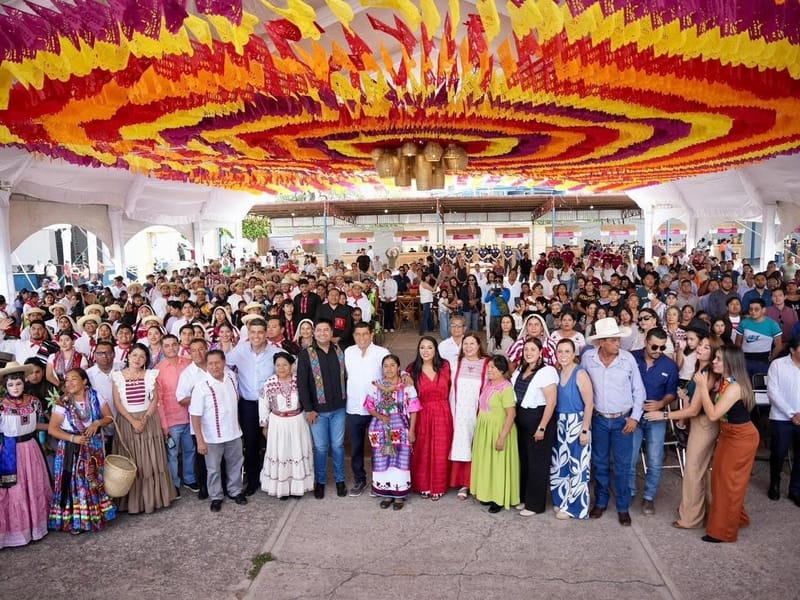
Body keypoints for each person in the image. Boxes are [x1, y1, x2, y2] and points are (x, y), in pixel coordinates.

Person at [645, 332, 721, 529]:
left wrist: (663, 415)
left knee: (693, 471)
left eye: (706, 347)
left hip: (704, 424)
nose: (700, 348)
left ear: (714, 352)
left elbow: (695, 410)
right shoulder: (700, 369)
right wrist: (685, 397)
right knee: (700, 470)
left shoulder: (708, 374)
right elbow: (693, 404)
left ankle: (690, 518)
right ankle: (705, 512)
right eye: (700, 344)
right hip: (698, 423)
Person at [581, 318, 646, 526]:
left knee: (622, 465)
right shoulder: (588, 358)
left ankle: (622, 506)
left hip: (623, 420)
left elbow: (639, 390)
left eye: (618, 340)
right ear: (601, 342)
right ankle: (600, 501)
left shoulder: (627, 359)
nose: (618, 343)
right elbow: (582, 385)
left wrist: (635, 417)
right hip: (599, 419)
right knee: (599, 462)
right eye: (613, 340)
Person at [696, 345, 759, 543]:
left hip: (741, 438)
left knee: (728, 483)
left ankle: (722, 531)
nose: (714, 361)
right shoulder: (727, 382)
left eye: (719, 359)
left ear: (730, 363)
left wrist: (702, 388)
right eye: (715, 357)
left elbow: (714, 414)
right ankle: (736, 519)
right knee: (720, 480)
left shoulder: (734, 387)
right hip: (728, 435)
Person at [48, 367, 116, 534]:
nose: (69, 383)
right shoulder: (63, 403)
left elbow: (109, 417)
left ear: (84, 381)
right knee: (74, 483)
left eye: (74, 379)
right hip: (71, 448)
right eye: (67, 380)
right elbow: (53, 429)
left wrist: (97, 423)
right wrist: (74, 438)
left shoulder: (95, 396)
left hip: (93, 447)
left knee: (92, 479)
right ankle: (76, 521)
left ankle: (94, 517)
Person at [111, 343, 176, 513]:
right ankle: (133, 503)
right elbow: (117, 402)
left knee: (151, 461)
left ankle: (153, 500)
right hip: (127, 421)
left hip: (148, 421)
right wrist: (133, 421)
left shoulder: (150, 375)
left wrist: (144, 419)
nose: (137, 359)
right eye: (134, 355)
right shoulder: (118, 376)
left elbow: (155, 400)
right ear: (128, 356)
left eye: (142, 356)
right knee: (132, 460)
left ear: (146, 359)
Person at [0, 362, 52, 548]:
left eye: (18, 384)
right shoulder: (1, 406)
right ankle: (16, 532)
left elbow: (35, 425)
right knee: (14, 490)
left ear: (24, 383)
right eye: (11, 385)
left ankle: (36, 527)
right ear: (5, 386)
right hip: (10, 451)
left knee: (34, 485)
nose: (15, 388)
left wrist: (57, 427)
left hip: (31, 448)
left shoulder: (34, 402)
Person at [190, 350, 248, 512]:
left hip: (234, 433)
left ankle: (235, 491)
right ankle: (216, 497)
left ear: (224, 363)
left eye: (217, 363)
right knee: (213, 469)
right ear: (206, 365)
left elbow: (235, 401)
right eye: (210, 363)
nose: (214, 367)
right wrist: (200, 440)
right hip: (212, 437)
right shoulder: (201, 386)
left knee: (235, 464)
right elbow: (195, 416)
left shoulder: (231, 377)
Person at [225, 317, 277, 496]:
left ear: (266, 333)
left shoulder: (275, 352)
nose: (256, 336)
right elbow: (225, 365)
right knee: (251, 443)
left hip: (270, 405)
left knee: (272, 442)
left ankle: (274, 479)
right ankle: (253, 481)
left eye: (260, 332)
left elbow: (290, 367)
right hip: (248, 405)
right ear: (248, 333)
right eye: (253, 332)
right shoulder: (240, 351)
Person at [629, 328, 678, 515]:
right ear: (646, 342)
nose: (658, 350)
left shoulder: (669, 365)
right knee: (630, 458)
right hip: (633, 415)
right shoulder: (631, 358)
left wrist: (661, 404)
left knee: (655, 459)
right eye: (654, 346)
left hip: (656, 416)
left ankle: (649, 497)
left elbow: (672, 392)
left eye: (662, 347)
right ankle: (630, 492)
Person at [297, 319, 348, 499]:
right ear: (313, 333)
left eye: (326, 330)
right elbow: (302, 384)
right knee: (320, 448)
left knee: (338, 446)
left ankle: (340, 480)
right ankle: (320, 481)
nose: (322, 333)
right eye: (319, 330)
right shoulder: (306, 354)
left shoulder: (340, 351)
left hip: (339, 408)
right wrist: (308, 409)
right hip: (317, 411)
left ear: (331, 332)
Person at [364, 354, 421, 510]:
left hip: (400, 428)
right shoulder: (375, 385)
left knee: (400, 459)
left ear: (398, 368)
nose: (389, 369)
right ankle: (387, 494)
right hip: (380, 428)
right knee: (382, 459)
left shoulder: (406, 386)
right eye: (386, 366)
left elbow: (414, 409)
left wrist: (412, 431)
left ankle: (399, 495)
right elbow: (369, 406)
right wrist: (381, 416)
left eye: (392, 365)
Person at [510, 338, 558, 516]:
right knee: (525, 461)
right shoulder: (520, 370)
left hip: (538, 420)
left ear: (540, 352)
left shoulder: (547, 371)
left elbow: (551, 402)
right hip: (521, 420)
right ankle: (524, 498)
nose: (529, 352)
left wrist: (542, 427)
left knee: (537, 464)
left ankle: (535, 505)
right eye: (526, 349)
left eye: (533, 349)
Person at [258, 351, 314, 499]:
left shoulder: (299, 381)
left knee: (296, 451)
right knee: (281, 453)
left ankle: (297, 487)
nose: (281, 368)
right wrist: (265, 425)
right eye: (278, 365)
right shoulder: (269, 383)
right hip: (278, 423)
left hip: (297, 422)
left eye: (285, 365)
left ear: (291, 366)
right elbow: (263, 405)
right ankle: (282, 488)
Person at [344, 321, 389, 496]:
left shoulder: (382, 353)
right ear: (353, 336)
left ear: (371, 334)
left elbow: (391, 372)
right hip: (354, 407)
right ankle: (360, 479)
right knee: (356, 447)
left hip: (376, 409)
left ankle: (380, 481)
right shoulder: (348, 352)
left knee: (379, 447)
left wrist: (405, 375)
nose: (361, 337)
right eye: (357, 334)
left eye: (365, 334)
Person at [470, 355, 519, 513]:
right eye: (489, 367)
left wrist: (502, 437)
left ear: (502, 370)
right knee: (487, 463)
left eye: (493, 368)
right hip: (485, 429)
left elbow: (511, 414)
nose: (489, 370)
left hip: (498, 429)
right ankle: (488, 494)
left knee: (498, 464)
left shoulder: (506, 388)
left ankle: (499, 498)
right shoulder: (489, 384)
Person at [551, 339, 594, 519]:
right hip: (560, 423)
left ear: (574, 354)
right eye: (560, 351)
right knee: (560, 464)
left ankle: (575, 508)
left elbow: (589, 404)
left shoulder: (580, 373)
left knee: (577, 466)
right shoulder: (558, 372)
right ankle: (562, 500)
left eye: (567, 351)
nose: (563, 355)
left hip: (576, 422)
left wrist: (584, 430)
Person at [407, 336, 452, 501]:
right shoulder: (412, 369)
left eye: (430, 347)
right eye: (422, 347)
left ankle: (439, 486)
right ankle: (423, 485)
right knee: (422, 450)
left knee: (441, 449)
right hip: (422, 413)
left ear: (435, 350)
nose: (426, 351)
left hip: (442, 412)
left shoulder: (445, 366)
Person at [448, 333, 489, 500]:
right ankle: (463, 483)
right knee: (462, 445)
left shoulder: (487, 363)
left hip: (479, 411)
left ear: (479, 345)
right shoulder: (455, 362)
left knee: (477, 446)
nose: (468, 347)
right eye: (465, 344)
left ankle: (477, 482)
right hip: (458, 412)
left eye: (472, 343)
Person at [155, 334, 197, 496]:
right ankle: (174, 483)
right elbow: (159, 400)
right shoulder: (158, 370)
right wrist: (163, 424)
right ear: (162, 348)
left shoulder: (189, 363)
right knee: (172, 453)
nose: (171, 348)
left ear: (179, 345)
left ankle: (189, 478)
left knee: (190, 450)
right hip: (171, 419)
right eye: (167, 345)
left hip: (190, 416)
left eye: (174, 344)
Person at [766, 334, 800, 505]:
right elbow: (773, 392)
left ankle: (795, 490)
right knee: (778, 453)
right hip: (781, 417)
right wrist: (791, 414)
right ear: (792, 350)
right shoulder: (778, 365)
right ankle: (775, 483)